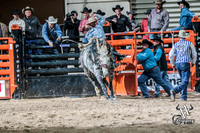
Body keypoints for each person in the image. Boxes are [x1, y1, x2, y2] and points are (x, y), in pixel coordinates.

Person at [169, 30, 197, 101]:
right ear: (185, 37)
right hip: (185, 63)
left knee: (183, 80)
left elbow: (171, 55)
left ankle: (183, 97)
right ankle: (174, 90)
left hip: (178, 63)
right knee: (185, 82)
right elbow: (194, 54)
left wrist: (172, 63)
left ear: (179, 37)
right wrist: (193, 62)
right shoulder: (189, 43)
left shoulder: (175, 44)